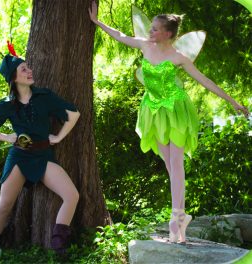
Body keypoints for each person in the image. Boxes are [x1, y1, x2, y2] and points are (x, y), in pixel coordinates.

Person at [88, 1, 249, 243]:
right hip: (153, 110)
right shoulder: (145, 45)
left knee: (176, 163)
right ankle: (182, 217)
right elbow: (120, 36)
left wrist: (232, 101)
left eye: (154, 29)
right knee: (170, 165)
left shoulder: (179, 57)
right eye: (150, 27)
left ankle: (176, 221)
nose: (150, 31)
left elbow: (205, 81)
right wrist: (97, 22)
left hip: (175, 109)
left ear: (168, 34)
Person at [0, 52, 80, 259]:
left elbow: (73, 114)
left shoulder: (44, 96)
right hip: (19, 157)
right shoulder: (7, 104)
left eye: (28, 67)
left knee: (72, 195)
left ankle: (58, 245)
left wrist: (59, 137)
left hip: (43, 155)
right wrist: (7, 137)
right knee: (5, 205)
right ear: (14, 78)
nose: (29, 70)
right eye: (24, 69)